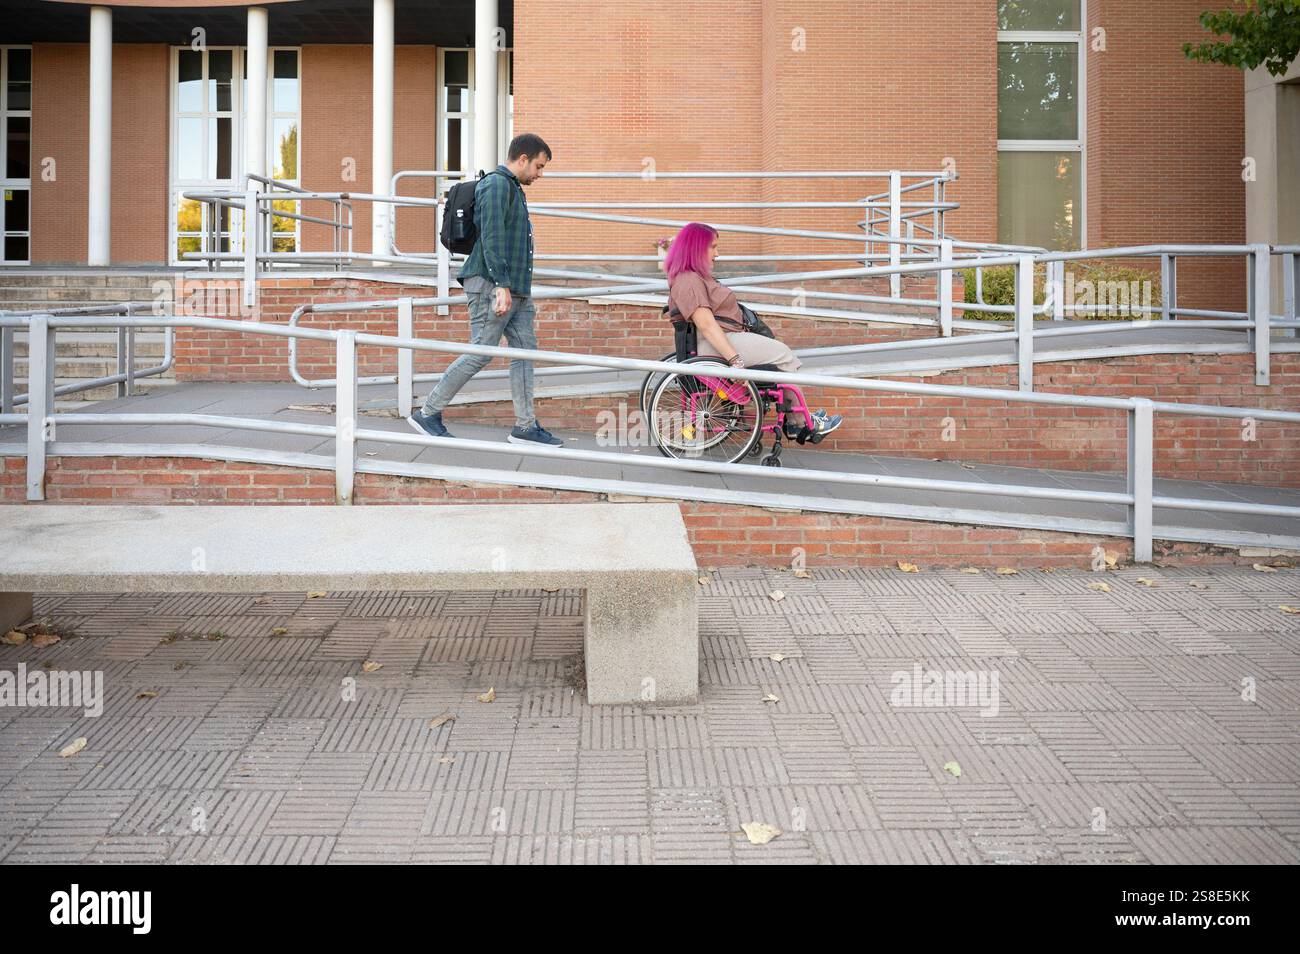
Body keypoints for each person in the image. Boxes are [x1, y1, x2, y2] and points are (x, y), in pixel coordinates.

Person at [408, 133, 563, 446]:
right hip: (493, 284)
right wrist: (502, 286)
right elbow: (491, 236)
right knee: (481, 351)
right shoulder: (495, 185)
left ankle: (525, 426)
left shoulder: (514, 189)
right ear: (522, 159)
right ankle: (428, 412)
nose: (540, 173)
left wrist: (514, 287)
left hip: (516, 288)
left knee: (524, 353)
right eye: (539, 166)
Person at [664, 222, 842, 436]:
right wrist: (735, 361)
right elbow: (707, 325)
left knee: (777, 352)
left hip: (718, 339)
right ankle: (800, 422)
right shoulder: (688, 280)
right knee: (783, 354)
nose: (717, 254)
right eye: (713, 247)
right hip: (714, 343)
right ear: (696, 248)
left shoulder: (692, 277)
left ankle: (797, 417)